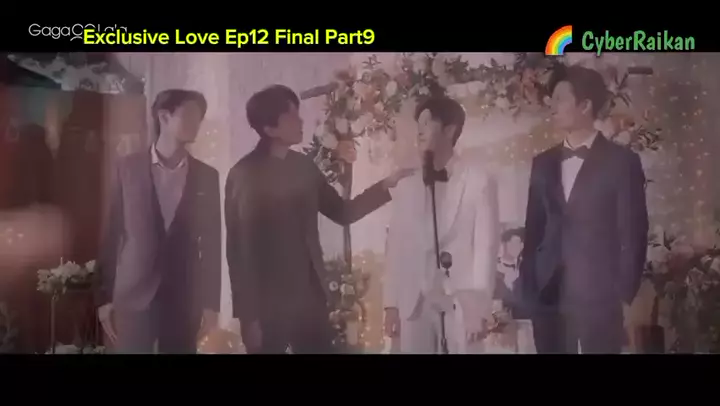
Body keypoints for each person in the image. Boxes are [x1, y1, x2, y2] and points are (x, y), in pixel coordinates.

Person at [225, 84, 412, 354]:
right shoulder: (244, 175)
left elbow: (343, 212)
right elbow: (238, 251)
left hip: (310, 299)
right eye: (291, 117)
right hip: (267, 308)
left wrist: (386, 185)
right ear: (269, 128)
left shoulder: (303, 167)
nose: (300, 121)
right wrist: (248, 317)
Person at [518, 65, 648, 354]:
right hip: (547, 295)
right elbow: (533, 230)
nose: (551, 105)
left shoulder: (622, 162)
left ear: (585, 105)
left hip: (600, 296)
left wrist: (623, 295)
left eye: (560, 98)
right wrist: (529, 287)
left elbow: (633, 233)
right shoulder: (542, 163)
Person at [95, 89, 221, 354]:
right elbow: (111, 234)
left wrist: (211, 305)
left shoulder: (206, 176)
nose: (197, 123)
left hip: (184, 296)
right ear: (164, 117)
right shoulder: (127, 168)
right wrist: (103, 297)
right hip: (133, 295)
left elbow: (212, 244)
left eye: (200, 117)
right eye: (189, 115)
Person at [383, 96, 500, 354]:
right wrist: (391, 304)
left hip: (460, 302)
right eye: (419, 124)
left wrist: (479, 307)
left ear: (449, 130)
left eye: (428, 122)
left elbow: (486, 247)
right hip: (414, 302)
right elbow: (395, 246)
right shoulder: (406, 185)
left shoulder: (478, 180)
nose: (420, 130)